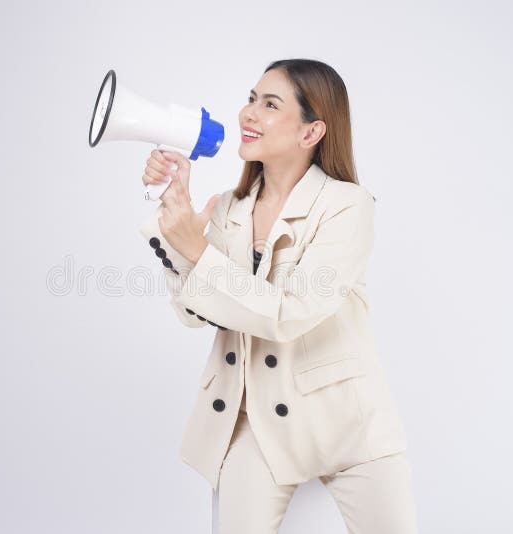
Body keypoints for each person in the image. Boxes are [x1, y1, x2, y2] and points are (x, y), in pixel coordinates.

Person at [138, 58, 419, 534]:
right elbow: (196, 313)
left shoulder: (348, 206)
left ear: (311, 133)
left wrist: (197, 247)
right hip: (256, 421)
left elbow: (289, 314)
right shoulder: (229, 207)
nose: (249, 113)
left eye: (270, 104)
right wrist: (178, 217)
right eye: (251, 98)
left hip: (349, 422)